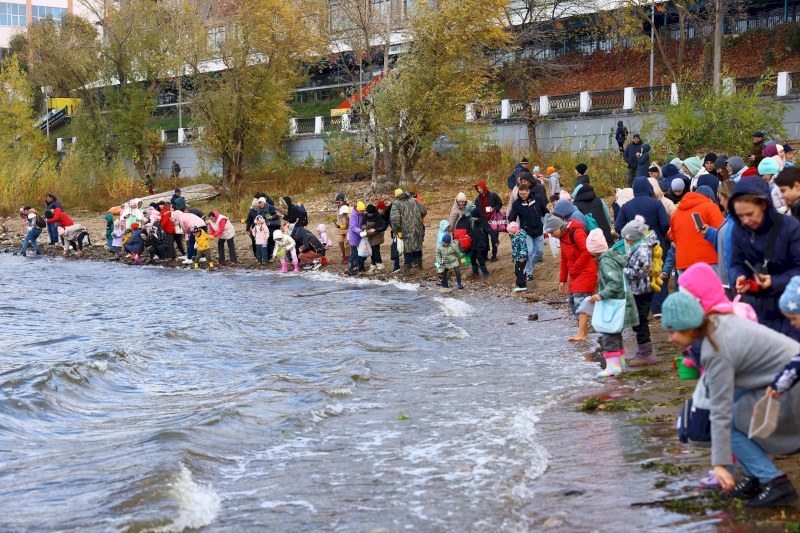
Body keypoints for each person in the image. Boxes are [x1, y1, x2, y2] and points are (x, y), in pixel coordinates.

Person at [661, 291, 800, 508]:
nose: (670, 339)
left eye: (671, 332)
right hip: (777, 378)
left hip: (790, 384)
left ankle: (775, 482)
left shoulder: (714, 349)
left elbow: (720, 410)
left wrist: (720, 464)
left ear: (688, 328)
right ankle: (753, 478)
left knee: (731, 422)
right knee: (734, 411)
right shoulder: (716, 321)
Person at [728, 177, 800, 340]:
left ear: (764, 205)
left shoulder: (790, 227)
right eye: (740, 215)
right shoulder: (739, 231)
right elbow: (736, 263)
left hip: (792, 313)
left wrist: (774, 281)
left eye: (750, 214)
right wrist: (738, 277)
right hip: (758, 311)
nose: (745, 220)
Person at [587, 228, 639, 378]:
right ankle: (620, 362)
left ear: (594, 249)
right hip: (621, 300)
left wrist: (600, 295)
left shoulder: (605, 262)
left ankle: (613, 366)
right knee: (615, 333)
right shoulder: (612, 257)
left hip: (614, 302)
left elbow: (614, 282)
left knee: (609, 334)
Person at [616, 217, 662, 366]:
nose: (625, 241)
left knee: (640, 320)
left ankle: (645, 354)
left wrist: (622, 270)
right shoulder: (640, 246)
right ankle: (643, 351)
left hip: (642, 289)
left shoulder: (642, 249)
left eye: (625, 238)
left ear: (632, 237)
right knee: (638, 321)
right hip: (640, 288)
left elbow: (639, 271)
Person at [546, 213, 596, 342]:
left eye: (552, 232)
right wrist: (562, 279)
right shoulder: (562, 237)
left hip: (586, 271)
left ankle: (581, 333)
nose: (551, 235)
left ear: (558, 228)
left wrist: (575, 267)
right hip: (575, 273)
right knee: (573, 302)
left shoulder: (576, 232)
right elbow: (564, 259)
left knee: (581, 301)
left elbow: (587, 251)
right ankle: (583, 332)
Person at [670, 184, 725, 274]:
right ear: (710, 198)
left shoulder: (676, 213)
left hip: (683, 264)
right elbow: (721, 234)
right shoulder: (710, 206)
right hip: (708, 261)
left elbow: (674, 239)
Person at [702, 180, 737, 298]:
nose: (720, 201)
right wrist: (709, 232)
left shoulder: (738, 220)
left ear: (728, 197)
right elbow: (723, 241)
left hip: (733, 281)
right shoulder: (730, 218)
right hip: (727, 280)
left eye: (721, 197)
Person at [615, 176, 671, 249]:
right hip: (657, 243)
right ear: (649, 187)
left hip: (637, 245)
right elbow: (665, 224)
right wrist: (660, 234)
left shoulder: (626, 206)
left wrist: (631, 237)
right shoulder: (657, 203)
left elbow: (618, 227)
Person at [508, 182, 547, 281]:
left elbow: (545, 210)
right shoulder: (517, 203)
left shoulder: (537, 199)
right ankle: (529, 273)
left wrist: (549, 220)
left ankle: (528, 268)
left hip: (538, 229)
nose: (522, 196)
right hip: (526, 231)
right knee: (528, 252)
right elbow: (511, 217)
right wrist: (512, 228)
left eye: (524, 194)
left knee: (539, 251)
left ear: (528, 191)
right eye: (520, 194)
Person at [390, 189, 427, 273]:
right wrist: (417, 220)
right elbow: (424, 211)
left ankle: (407, 269)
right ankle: (419, 265)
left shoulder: (396, 204)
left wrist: (396, 230)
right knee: (417, 244)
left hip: (405, 229)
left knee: (407, 247)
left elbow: (395, 220)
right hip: (418, 227)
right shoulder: (414, 200)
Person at [572, 178, 614, 246]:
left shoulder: (575, 206)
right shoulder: (599, 200)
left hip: (590, 238)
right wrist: (607, 228)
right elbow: (607, 216)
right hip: (605, 235)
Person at [473, 179, 503, 261]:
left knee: (494, 237)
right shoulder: (477, 199)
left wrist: (494, 209)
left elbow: (500, 203)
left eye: (480, 188)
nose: (479, 190)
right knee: (484, 238)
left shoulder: (493, 195)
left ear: (484, 187)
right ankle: (485, 256)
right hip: (484, 220)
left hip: (493, 219)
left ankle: (494, 255)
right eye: (478, 188)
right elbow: (477, 210)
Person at [468, 209, 492, 279]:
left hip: (482, 244)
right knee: (472, 257)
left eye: (473, 217)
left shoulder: (484, 223)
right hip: (474, 244)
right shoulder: (475, 222)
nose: (472, 218)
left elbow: (491, 232)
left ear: (476, 216)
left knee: (480, 258)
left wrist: (496, 241)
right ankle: (475, 271)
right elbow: (474, 232)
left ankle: (485, 273)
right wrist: (469, 235)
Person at [364, 204, 387, 272]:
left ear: (373, 212)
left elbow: (382, 227)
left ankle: (379, 263)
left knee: (375, 249)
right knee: (371, 250)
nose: (369, 214)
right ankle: (373, 264)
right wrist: (365, 229)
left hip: (377, 236)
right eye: (368, 213)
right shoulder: (366, 216)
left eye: (370, 213)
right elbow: (363, 224)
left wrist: (374, 230)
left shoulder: (378, 216)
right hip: (369, 236)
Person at [508, 221, 528, 292]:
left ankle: (522, 285)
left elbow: (523, 247)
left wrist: (522, 256)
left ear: (513, 231)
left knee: (519, 271)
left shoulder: (520, 237)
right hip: (517, 256)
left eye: (509, 232)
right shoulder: (516, 235)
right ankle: (521, 284)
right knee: (518, 270)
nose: (509, 233)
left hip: (520, 257)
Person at [347, 201, 367, 276]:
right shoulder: (353, 215)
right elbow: (353, 227)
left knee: (363, 251)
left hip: (360, 235)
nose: (361, 212)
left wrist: (362, 230)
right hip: (354, 236)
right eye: (360, 210)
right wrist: (360, 231)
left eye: (362, 210)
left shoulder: (362, 214)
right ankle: (350, 269)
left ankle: (360, 266)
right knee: (354, 252)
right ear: (357, 209)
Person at [335, 193, 350, 264]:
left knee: (347, 242)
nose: (338, 203)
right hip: (340, 228)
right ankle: (343, 253)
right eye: (337, 202)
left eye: (339, 202)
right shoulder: (337, 208)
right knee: (340, 241)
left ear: (343, 201)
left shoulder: (348, 208)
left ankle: (347, 256)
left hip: (348, 227)